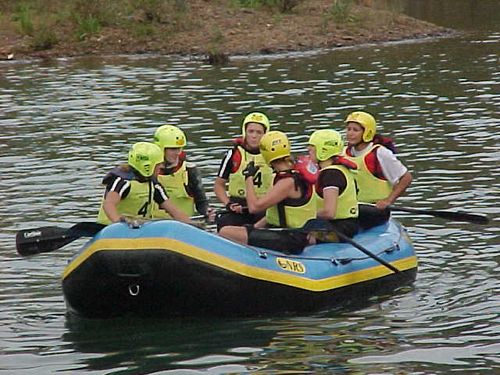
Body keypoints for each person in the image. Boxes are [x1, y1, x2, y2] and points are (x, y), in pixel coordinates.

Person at [219, 131, 316, 254]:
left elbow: (254, 207)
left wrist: (249, 177)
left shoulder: (287, 182)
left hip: (291, 239)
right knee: (235, 229)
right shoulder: (292, 173)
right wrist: (253, 228)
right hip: (290, 233)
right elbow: (271, 214)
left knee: (225, 232)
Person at [96, 142, 195, 225]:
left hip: (136, 228)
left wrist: (191, 224)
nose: (161, 167)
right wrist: (119, 222)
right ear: (147, 166)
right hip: (111, 228)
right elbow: (108, 204)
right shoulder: (122, 182)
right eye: (158, 164)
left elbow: (174, 211)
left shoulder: (154, 185)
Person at [214, 111, 274, 231]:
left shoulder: (272, 154)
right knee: (223, 222)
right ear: (244, 132)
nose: (254, 136)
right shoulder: (233, 154)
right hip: (239, 208)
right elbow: (218, 185)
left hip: (264, 208)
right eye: (251, 131)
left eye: (259, 132)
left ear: (265, 134)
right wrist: (228, 204)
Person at [344, 111, 412, 210]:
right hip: (351, 208)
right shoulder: (343, 152)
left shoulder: (380, 153)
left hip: (375, 210)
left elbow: (406, 178)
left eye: (355, 130)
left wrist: (388, 201)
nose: (350, 133)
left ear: (367, 132)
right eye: (348, 129)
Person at [152, 124, 214, 221]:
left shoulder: (189, 170)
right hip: (153, 227)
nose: (178, 153)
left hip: (184, 226)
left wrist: (207, 211)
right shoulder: (147, 173)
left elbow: (201, 202)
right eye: (173, 149)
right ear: (160, 149)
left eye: (180, 148)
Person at [307, 129, 359, 241]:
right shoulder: (337, 168)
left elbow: (329, 212)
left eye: (311, 148)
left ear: (323, 150)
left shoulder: (331, 174)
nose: (308, 150)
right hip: (346, 224)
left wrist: (306, 214)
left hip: (341, 227)